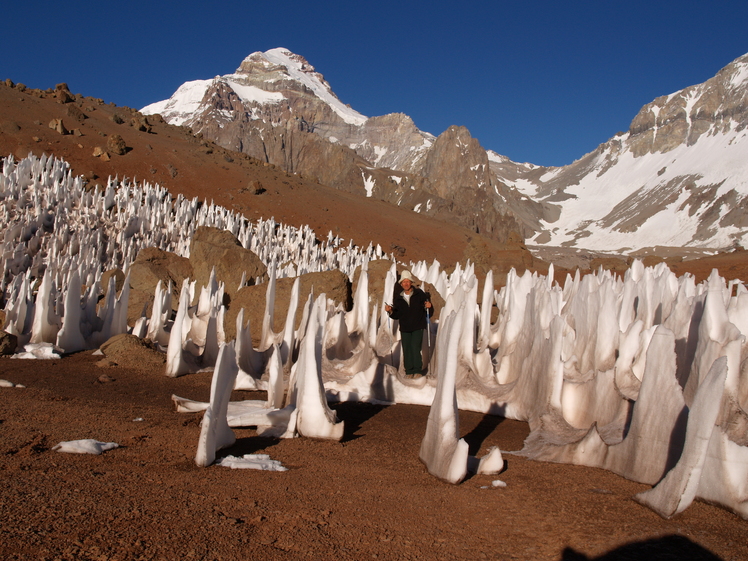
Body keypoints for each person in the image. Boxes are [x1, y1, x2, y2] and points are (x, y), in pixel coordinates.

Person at [385, 270, 433, 378]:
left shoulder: (419, 294)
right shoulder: (399, 298)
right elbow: (397, 315)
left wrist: (430, 307)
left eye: (408, 281)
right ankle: (409, 371)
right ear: (401, 284)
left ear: (411, 282)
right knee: (407, 349)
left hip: (417, 326)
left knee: (415, 347)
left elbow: (427, 309)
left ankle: (417, 371)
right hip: (405, 327)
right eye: (404, 282)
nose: (406, 284)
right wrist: (390, 311)